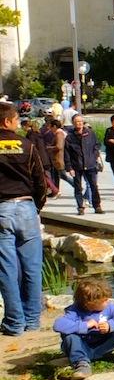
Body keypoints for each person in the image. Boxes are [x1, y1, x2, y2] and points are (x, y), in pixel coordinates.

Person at [0, 101, 47, 337]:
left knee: (6, 269)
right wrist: (36, 206)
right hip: (26, 206)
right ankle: (32, 320)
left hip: (1, 210)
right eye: (17, 119)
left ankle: (14, 323)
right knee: (32, 267)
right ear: (8, 121)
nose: (18, 123)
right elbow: (40, 180)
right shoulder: (27, 145)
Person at [65, 113, 103, 216]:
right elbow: (67, 152)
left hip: (90, 164)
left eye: (81, 121)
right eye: (77, 122)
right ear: (73, 123)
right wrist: (69, 167)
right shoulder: (70, 136)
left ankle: (97, 205)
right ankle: (80, 207)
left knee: (94, 186)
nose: (79, 124)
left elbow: (97, 145)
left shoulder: (89, 133)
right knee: (78, 187)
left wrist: (94, 156)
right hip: (77, 165)